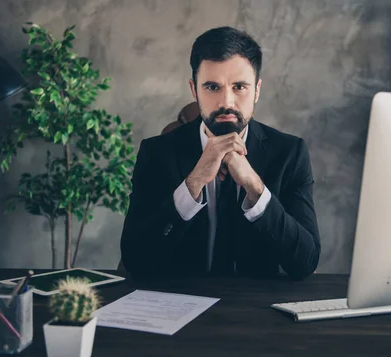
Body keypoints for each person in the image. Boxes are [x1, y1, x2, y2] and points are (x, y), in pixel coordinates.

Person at [120, 26, 320, 280]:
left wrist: (255, 187)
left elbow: (306, 262)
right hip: (179, 305)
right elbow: (135, 260)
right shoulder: (156, 153)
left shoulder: (290, 153)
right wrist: (193, 183)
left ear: (257, 90)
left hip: (257, 310)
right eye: (212, 87)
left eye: (239, 87)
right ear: (194, 90)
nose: (227, 102)